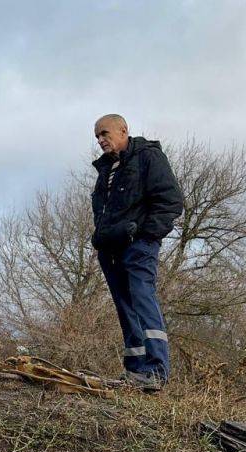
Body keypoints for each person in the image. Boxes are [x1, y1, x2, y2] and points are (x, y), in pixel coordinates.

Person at [91, 114, 183, 392]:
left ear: (123, 130)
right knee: (125, 306)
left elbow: (170, 202)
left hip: (139, 246)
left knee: (143, 298)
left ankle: (156, 370)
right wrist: (100, 239)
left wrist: (144, 236)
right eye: (97, 136)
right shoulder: (107, 168)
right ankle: (136, 371)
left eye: (104, 133)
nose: (100, 140)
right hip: (111, 249)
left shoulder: (148, 157)